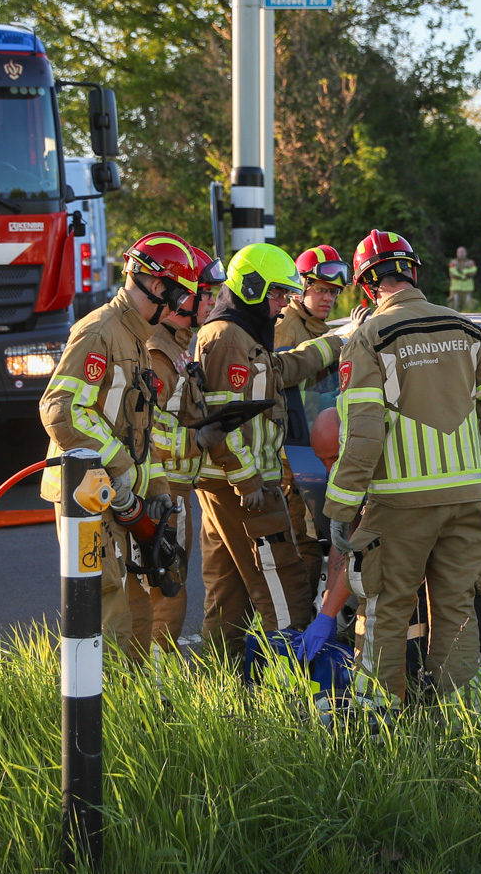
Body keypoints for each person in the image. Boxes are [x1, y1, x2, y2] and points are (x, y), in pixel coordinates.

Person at [299, 230, 481, 706]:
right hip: (466, 499)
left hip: (399, 505)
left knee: (384, 610)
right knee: (458, 610)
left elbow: (363, 436)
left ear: (365, 286)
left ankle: (379, 722)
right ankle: (465, 719)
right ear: (413, 272)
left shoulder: (368, 338)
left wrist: (340, 508)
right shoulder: (466, 329)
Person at [40, 231, 202, 661]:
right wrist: (121, 469)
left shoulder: (136, 338)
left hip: (117, 497)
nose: (179, 306)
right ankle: (100, 718)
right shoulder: (99, 332)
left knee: (136, 613)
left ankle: (132, 709)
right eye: (176, 294)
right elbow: (60, 410)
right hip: (86, 496)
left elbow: (138, 432)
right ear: (155, 283)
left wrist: (158, 495)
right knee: (106, 607)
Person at [196, 243, 341, 659]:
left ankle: (223, 683)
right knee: (285, 581)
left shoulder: (244, 336)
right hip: (244, 485)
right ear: (252, 287)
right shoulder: (226, 338)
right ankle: (296, 685)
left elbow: (282, 370)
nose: (282, 305)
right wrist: (249, 480)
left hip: (230, 483)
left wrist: (338, 342)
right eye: (277, 293)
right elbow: (221, 420)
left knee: (230, 590)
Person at [132, 247, 223, 653]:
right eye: (206, 294)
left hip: (176, 488)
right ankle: (158, 689)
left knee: (168, 586)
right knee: (165, 589)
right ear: (182, 299)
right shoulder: (158, 352)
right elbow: (145, 430)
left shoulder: (178, 343)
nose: (214, 303)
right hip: (162, 490)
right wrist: (195, 440)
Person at [276, 245, 351, 606]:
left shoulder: (315, 326)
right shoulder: (286, 329)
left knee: (310, 546)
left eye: (334, 292)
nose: (328, 298)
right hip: (289, 459)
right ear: (300, 287)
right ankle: (298, 631)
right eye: (321, 289)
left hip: (309, 448)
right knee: (300, 550)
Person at [446, 245, 479, 312]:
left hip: (467, 289)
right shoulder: (453, 262)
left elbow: (473, 271)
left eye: (462, 252)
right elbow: (453, 272)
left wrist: (464, 272)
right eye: (459, 252)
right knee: (454, 308)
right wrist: (463, 275)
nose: (461, 254)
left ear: (466, 253)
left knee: (468, 308)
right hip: (455, 289)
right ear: (457, 253)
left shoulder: (471, 262)